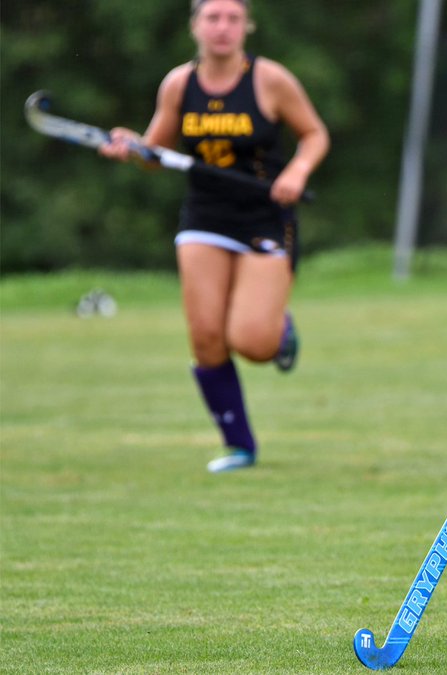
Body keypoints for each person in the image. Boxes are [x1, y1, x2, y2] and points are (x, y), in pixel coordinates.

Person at [99, 0, 329, 473]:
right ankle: (239, 446)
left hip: (265, 216)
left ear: (247, 26)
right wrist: (130, 148)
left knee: (253, 342)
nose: (222, 27)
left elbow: (314, 134)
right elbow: (154, 154)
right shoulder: (178, 84)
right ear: (195, 26)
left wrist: (298, 171)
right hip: (205, 217)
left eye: (232, 18)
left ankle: (279, 331)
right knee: (205, 336)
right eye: (212, 17)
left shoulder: (269, 79)